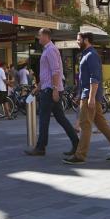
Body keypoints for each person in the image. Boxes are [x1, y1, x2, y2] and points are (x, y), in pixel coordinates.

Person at [64, 32, 110, 164]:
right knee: (102, 125)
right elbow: (84, 79)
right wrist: (79, 94)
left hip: (89, 96)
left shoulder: (91, 55)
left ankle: (80, 155)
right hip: (87, 94)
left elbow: (95, 77)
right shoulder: (86, 54)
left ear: (86, 40)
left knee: (85, 125)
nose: (77, 42)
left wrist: (91, 97)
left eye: (78, 40)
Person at [25, 28, 79, 157]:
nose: (38, 38)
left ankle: (41, 147)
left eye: (39, 35)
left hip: (50, 90)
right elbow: (47, 74)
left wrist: (55, 89)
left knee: (44, 118)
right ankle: (76, 143)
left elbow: (56, 71)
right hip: (48, 88)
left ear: (45, 36)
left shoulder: (51, 50)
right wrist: (38, 88)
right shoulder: (48, 50)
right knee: (60, 118)